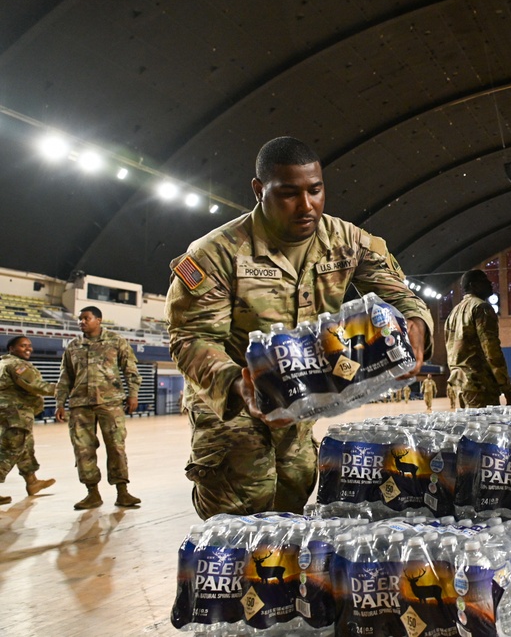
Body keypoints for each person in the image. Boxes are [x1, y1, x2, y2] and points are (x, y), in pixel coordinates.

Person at [165, 136, 432, 520]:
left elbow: (401, 296)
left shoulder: (346, 241)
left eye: (315, 190)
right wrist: (238, 384)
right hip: (232, 412)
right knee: (238, 515)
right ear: (259, 190)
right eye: (289, 193)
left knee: (293, 502)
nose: (307, 206)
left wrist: (417, 325)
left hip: (301, 405)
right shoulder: (216, 253)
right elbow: (191, 338)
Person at [55, 307, 142, 510]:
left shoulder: (116, 341)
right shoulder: (73, 346)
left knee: (116, 447)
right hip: (80, 405)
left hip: (110, 403)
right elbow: (65, 377)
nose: (82, 322)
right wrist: (60, 402)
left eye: (87, 318)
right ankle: (92, 493)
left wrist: (133, 394)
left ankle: (122, 492)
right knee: (83, 450)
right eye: (80, 319)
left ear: (99, 320)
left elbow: (131, 369)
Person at [445, 269, 511, 408]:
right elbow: (492, 351)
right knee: (486, 428)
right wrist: (506, 386)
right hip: (479, 385)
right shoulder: (481, 308)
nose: (490, 283)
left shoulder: (453, 313)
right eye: (484, 280)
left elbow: (450, 351)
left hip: (459, 384)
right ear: (473, 285)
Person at [0, 336, 57, 505]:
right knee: (11, 450)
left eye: (29, 346)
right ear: (11, 348)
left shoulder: (3, 363)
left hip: (10, 412)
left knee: (25, 447)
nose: (28, 348)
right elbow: (35, 385)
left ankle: (32, 482)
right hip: (16, 413)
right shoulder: (16, 365)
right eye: (22, 346)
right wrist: (63, 389)